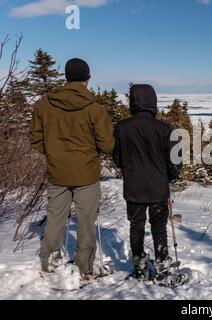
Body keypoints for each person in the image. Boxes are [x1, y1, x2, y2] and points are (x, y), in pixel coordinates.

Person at [29, 58, 115, 279]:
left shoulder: (44, 104)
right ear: (86, 80)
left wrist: (54, 154)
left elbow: (35, 139)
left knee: (55, 216)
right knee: (86, 221)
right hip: (86, 173)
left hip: (57, 171)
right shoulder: (94, 108)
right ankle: (85, 268)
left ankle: (49, 262)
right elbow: (107, 144)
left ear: (66, 77)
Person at [113, 84, 180, 280]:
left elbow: (117, 159)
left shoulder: (121, 128)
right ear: (153, 102)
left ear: (133, 102)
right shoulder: (165, 129)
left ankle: (140, 267)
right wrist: (171, 176)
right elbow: (175, 161)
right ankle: (162, 267)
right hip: (158, 187)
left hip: (133, 187)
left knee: (136, 226)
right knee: (158, 226)